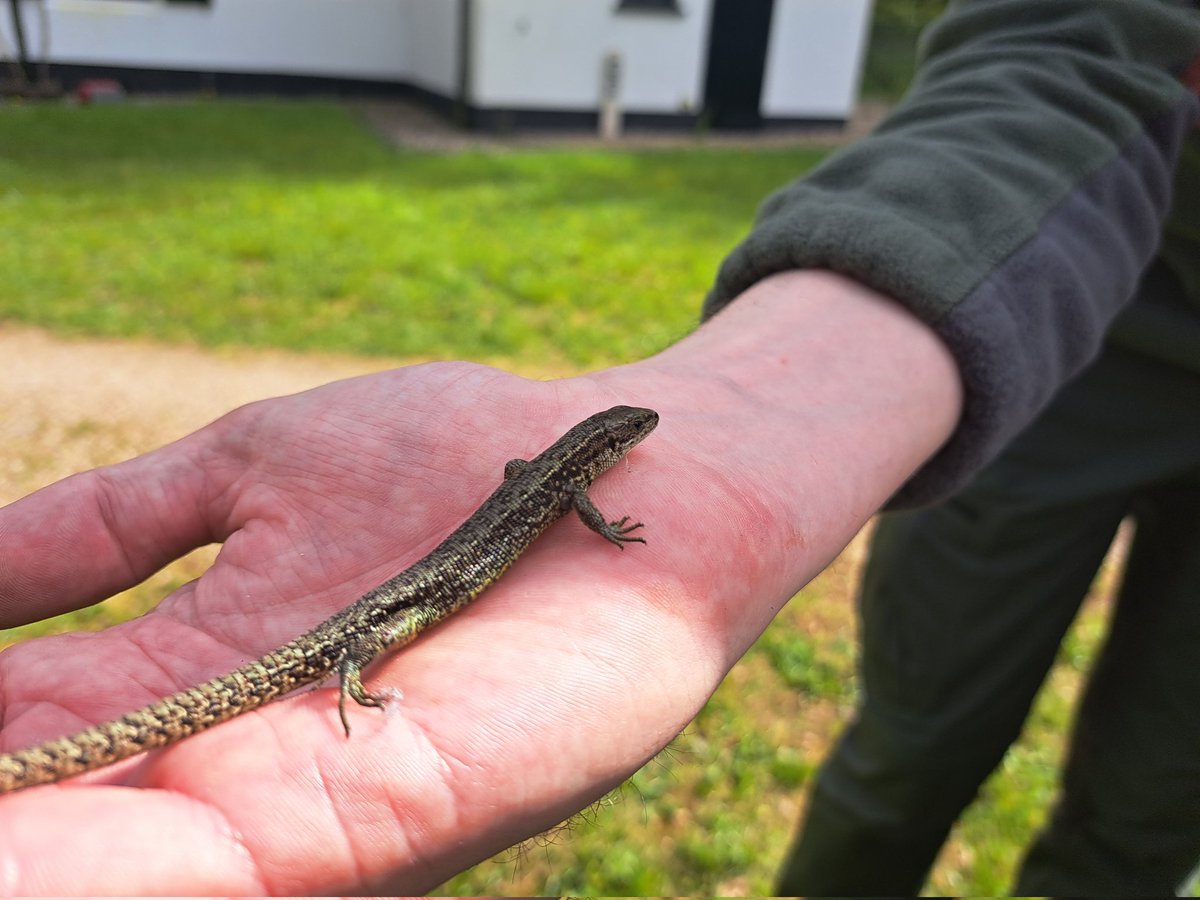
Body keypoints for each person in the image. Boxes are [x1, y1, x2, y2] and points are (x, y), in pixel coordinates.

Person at [0, 0, 1196, 893]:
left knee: (1145, 806)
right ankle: (336, 681)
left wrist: (602, 512)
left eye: (626, 435)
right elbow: (1060, 55)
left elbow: (533, 484)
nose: (635, 439)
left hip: (437, 577)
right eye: (625, 433)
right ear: (598, 449)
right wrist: (360, 670)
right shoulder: (562, 480)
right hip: (399, 606)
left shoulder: (555, 477)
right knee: (913, 749)